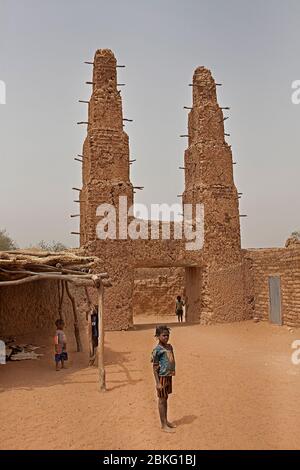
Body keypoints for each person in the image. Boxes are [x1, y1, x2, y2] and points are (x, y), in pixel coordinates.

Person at [151, 325, 176, 433]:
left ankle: (166, 421)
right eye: (164, 335)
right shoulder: (157, 350)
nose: (166, 337)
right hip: (161, 377)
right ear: (157, 336)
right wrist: (157, 383)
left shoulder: (169, 347)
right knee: (162, 400)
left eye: (167, 335)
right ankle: (163, 425)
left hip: (169, 376)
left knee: (165, 398)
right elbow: (155, 367)